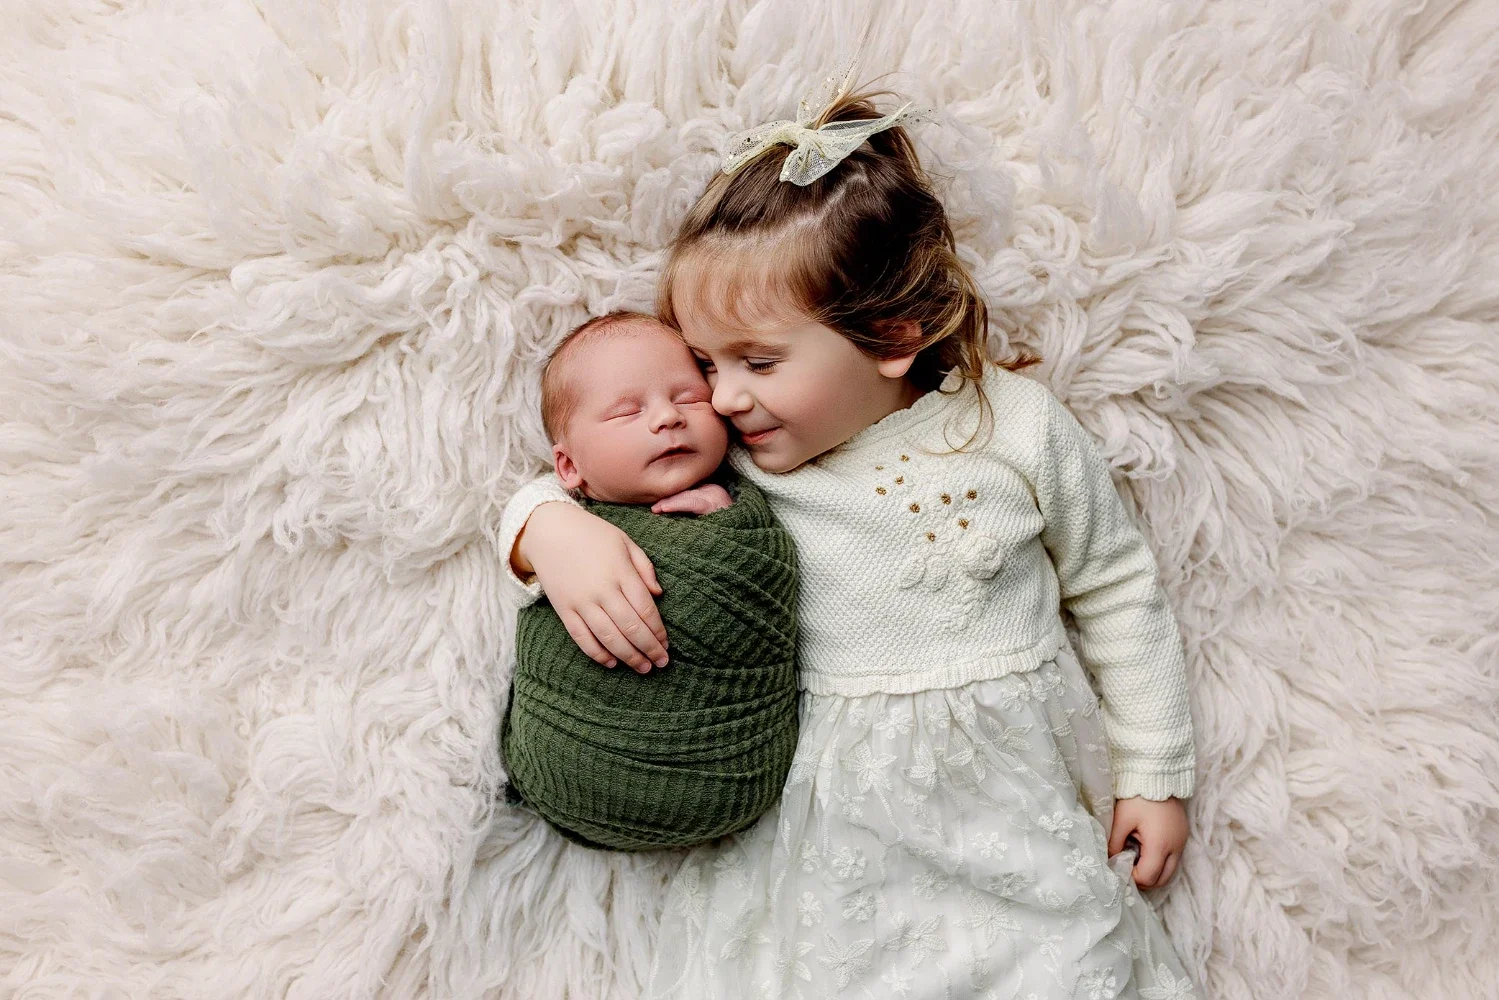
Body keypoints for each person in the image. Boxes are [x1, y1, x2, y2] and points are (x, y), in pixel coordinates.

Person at [500, 72, 1201, 999]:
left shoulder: (1015, 427)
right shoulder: (737, 459)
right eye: (706, 363)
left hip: (1004, 800)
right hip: (829, 810)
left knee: (1060, 963)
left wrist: (1153, 773)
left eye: (757, 362)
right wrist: (550, 531)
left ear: (889, 336)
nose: (721, 395)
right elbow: (573, 477)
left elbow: (1114, 587)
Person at [498, 312, 801, 852]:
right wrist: (550, 530)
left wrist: (730, 517)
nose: (667, 418)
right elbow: (519, 533)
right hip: (567, 758)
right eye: (626, 411)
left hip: (731, 776)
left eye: (687, 398)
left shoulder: (757, 487)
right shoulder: (562, 512)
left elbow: (766, 577)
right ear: (569, 468)